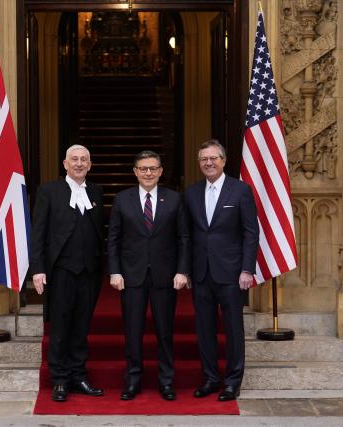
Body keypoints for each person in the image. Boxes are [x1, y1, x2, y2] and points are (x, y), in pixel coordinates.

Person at [107, 151, 190, 401]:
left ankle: (166, 381)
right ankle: (132, 380)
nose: (148, 173)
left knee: (164, 331)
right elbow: (113, 239)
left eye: (153, 168)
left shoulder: (175, 199)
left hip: (165, 276)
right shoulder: (122, 199)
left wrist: (182, 270)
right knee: (133, 331)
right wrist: (114, 270)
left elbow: (184, 238)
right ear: (135, 172)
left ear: (161, 171)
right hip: (131, 276)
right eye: (143, 169)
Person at [183, 139, 259, 402]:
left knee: (233, 330)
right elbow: (188, 235)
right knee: (204, 329)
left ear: (224, 161)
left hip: (231, 274)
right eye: (204, 159)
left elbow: (251, 232)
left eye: (213, 158)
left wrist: (247, 269)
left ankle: (232, 381)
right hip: (201, 273)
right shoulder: (191, 193)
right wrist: (187, 270)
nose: (208, 163)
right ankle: (211, 378)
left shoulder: (240, 191)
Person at [30, 144, 104, 403]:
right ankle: (59, 380)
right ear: (65, 163)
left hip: (89, 273)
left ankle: (78, 375)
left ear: (90, 164)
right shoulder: (48, 191)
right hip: (60, 272)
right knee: (60, 328)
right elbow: (38, 233)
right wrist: (37, 269)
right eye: (74, 159)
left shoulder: (96, 191)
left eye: (84, 159)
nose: (79, 163)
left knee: (81, 328)